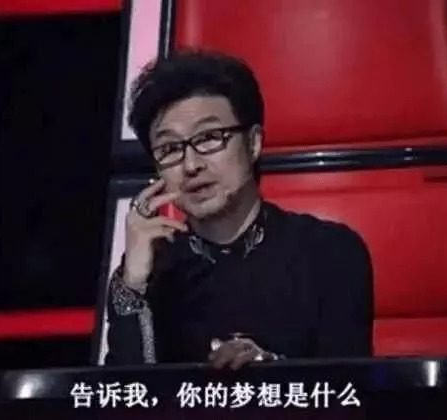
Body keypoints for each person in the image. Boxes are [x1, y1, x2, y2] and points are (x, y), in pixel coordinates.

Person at [105, 50, 373, 369]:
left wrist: (270, 372)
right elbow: (127, 393)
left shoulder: (330, 252)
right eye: (170, 148)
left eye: (209, 137)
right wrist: (133, 285)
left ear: (254, 143)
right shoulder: (150, 269)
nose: (191, 165)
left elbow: (349, 388)